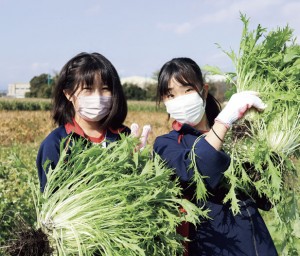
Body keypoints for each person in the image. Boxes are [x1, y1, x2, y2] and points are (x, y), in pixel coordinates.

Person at [153, 57, 278, 256]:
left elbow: (268, 199)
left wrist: (270, 151)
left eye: (187, 90)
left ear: (203, 91)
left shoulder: (236, 140)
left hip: (257, 246)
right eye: (170, 95)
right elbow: (198, 170)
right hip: (211, 249)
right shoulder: (166, 144)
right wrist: (225, 120)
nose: (181, 100)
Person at [37, 52, 149, 192]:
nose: (97, 97)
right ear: (68, 94)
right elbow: (51, 198)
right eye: (87, 90)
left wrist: (140, 162)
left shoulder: (125, 136)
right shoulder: (56, 142)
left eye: (105, 89)